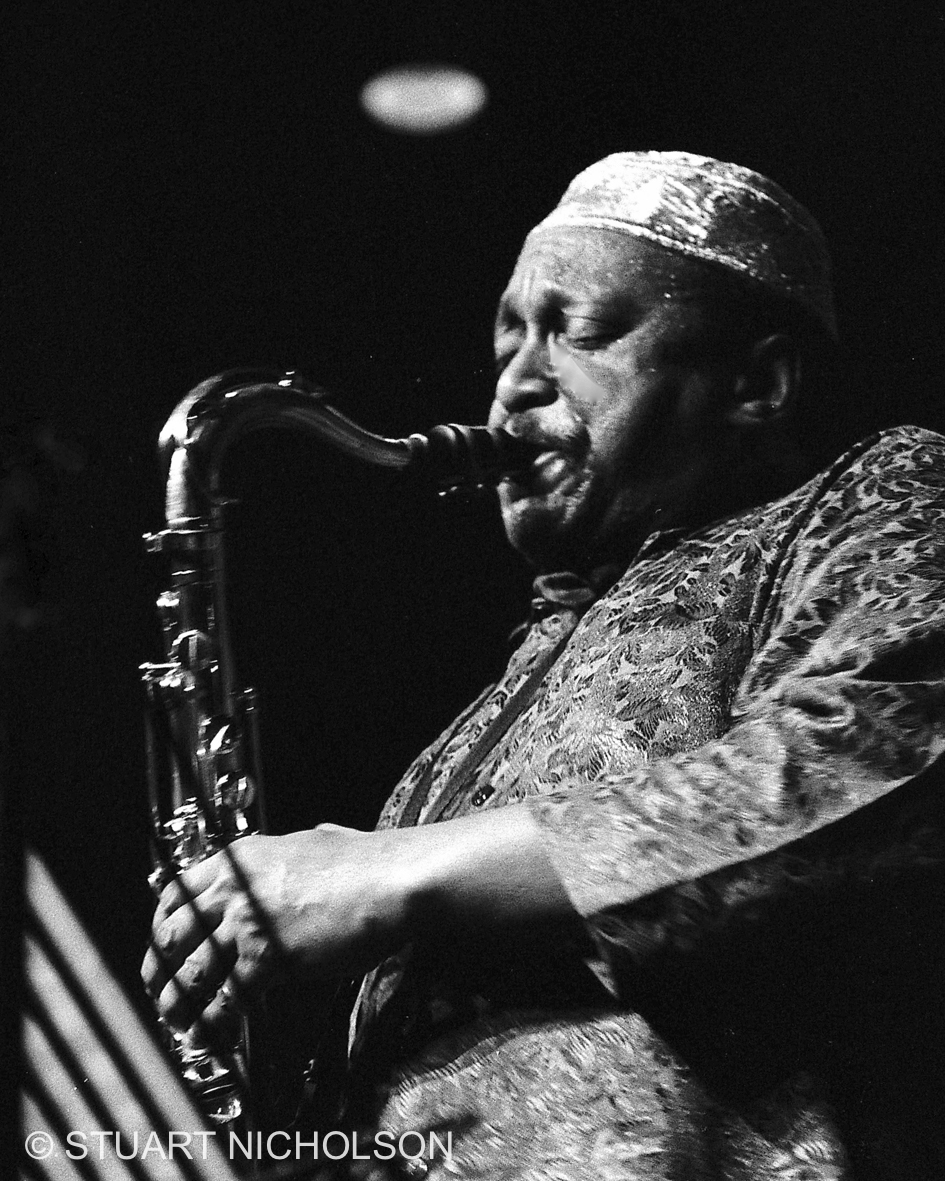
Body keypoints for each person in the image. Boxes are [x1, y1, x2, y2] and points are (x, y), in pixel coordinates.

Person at [143, 152, 945, 1179]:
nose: (515, 384)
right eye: (508, 340)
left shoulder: (881, 491)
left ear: (758, 382)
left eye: (579, 330)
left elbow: (871, 769)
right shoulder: (480, 715)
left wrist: (385, 875)